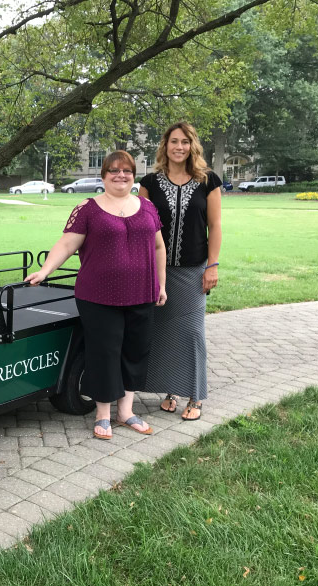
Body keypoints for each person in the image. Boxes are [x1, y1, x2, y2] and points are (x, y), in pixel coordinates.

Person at [26, 150, 166, 440]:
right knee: (105, 353)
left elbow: (158, 248)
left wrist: (161, 285)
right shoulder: (88, 208)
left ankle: (125, 412)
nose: (121, 175)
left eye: (127, 170)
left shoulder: (147, 207)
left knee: (134, 352)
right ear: (103, 176)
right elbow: (66, 244)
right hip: (98, 296)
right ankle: (103, 415)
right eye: (114, 170)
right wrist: (45, 271)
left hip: (142, 293)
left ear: (133, 175)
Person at [138, 122, 222, 421]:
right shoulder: (149, 182)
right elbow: (141, 227)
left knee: (191, 332)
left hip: (193, 269)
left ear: (192, 146)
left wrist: (212, 266)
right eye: (174, 141)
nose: (179, 147)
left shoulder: (208, 181)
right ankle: (171, 390)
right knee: (162, 332)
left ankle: (196, 395)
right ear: (165, 145)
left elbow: (215, 227)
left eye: (185, 142)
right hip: (158, 271)